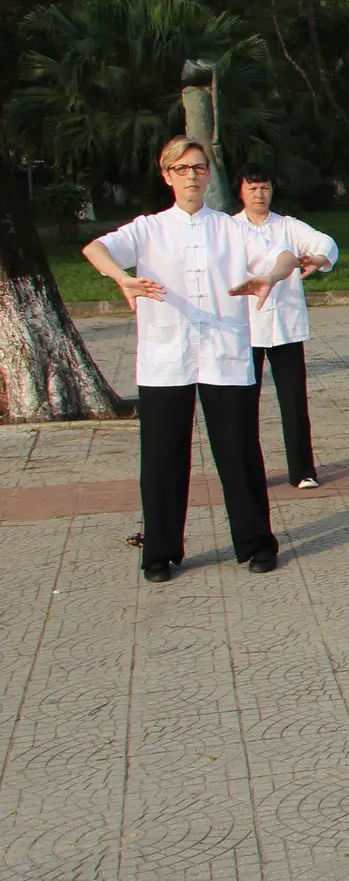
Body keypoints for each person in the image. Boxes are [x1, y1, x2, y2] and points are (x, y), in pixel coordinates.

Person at [81, 138, 302, 582]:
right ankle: (160, 552)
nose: (191, 177)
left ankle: (256, 542)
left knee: (239, 452)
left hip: (225, 354)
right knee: (162, 456)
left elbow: (282, 255)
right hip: (166, 358)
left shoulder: (231, 228)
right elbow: (96, 249)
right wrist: (122, 279)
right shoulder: (148, 229)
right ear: (167, 175)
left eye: (199, 168)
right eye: (181, 169)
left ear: (209, 174)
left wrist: (269, 278)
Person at [234, 166, 339, 489]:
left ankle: (303, 470)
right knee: (242, 404)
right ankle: (248, 474)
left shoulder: (287, 226)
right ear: (241, 191)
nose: (259, 195)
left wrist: (318, 258)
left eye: (264, 188)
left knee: (294, 401)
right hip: (245, 327)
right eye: (252, 188)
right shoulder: (229, 228)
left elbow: (324, 242)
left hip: (286, 327)